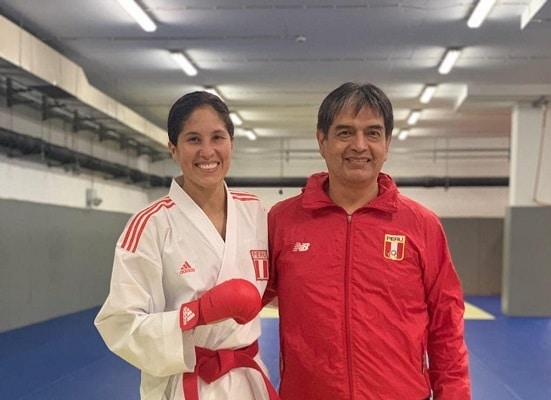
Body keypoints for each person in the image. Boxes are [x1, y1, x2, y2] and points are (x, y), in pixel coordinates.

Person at [263, 82, 471, 400]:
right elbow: (243, 304)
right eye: (345, 132)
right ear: (322, 141)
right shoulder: (282, 221)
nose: (359, 145)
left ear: (387, 144)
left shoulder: (422, 225)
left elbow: (447, 325)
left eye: (372, 133)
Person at [95, 91, 279, 400]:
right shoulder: (151, 225)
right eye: (193, 139)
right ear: (173, 149)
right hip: (184, 383)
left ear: (231, 144)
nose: (207, 151)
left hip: (247, 380)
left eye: (217, 137)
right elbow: (119, 324)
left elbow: (277, 287)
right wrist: (196, 314)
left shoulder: (255, 212)